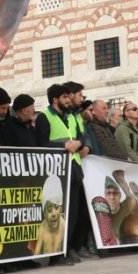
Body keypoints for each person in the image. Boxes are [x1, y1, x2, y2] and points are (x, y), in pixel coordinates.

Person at [37, 84, 91, 263]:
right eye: (65, 97)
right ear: (55, 99)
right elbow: (41, 144)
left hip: (73, 168)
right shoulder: (45, 117)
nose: (69, 100)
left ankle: (68, 249)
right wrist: (63, 146)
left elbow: (80, 137)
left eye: (69, 97)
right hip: (56, 171)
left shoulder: (70, 117)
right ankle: (56, 254)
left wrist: (80, 144)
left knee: (73, 212)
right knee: (58, 214)